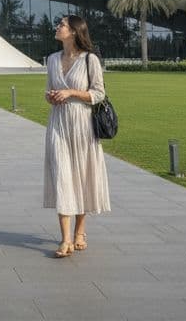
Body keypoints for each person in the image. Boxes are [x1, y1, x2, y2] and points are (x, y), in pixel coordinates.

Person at [44, 15, 111, 258]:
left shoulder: (89, 59)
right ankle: (65, 239)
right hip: (59, 124)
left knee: (81, 176)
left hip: (82, 125)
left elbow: (99, 93)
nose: (57, 27)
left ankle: (80, 231)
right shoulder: (52, 59)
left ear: (73, 31)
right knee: (62, 176)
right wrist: (51, 96)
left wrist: (71, 92)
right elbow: (48, 90)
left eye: (61, 24)